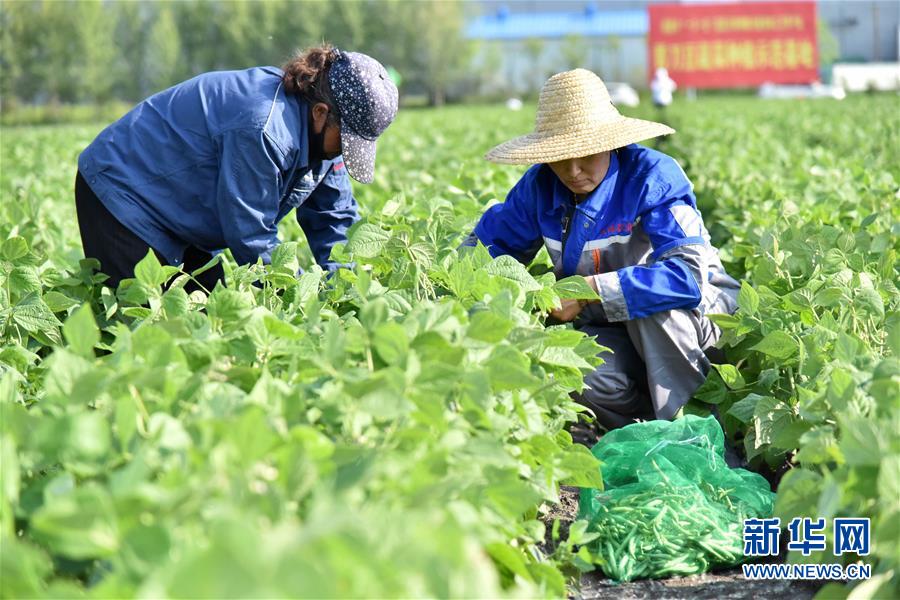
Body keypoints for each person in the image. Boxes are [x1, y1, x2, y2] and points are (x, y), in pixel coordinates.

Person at [462, 69, 739, 431]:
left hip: (696, 319)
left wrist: (587, 291)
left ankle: (696, 430)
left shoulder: (652, 178)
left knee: (655, 309)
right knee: (575, 369)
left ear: (609, 143)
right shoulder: (540, 187)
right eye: (560, 157)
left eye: (586, 154)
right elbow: (485, 253)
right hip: (614, 327)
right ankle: (642, 430)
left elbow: (685, 279)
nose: (573, 170)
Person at [75, 44, 398, 291]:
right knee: (144, 329)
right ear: (321, 113)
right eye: (347, 139)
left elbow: (334, 218)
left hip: (178, 204)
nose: (345, 151)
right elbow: (251, 236)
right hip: (122, 191)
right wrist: (304, 293)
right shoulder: (264, 130)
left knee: (207, 314)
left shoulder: (325, 138)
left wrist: (349, 290)